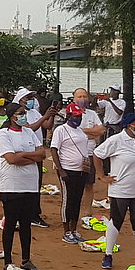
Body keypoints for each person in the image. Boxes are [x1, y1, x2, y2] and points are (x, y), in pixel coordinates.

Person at [92, 111, 135, 270]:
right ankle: (108, 254)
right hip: (121, 189)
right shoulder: (116, 140)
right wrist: (102, 176)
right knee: (116, 220)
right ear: (129, 125)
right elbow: (97, 155)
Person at [0, 100, 46, 270]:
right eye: (20, 114)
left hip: (30, 185)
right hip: (12, 185)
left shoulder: (29, 132)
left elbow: (42, 154)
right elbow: (11, 159)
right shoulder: (4, 134)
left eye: (24, 113)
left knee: (26, 224)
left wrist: (22, 155)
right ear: (11, 117)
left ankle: (26, 259)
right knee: (10, 223)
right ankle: (8, 261)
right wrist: (29, 156)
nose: (23, 117)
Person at [50, 103, 98, 244]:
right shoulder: (61, 130)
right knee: (68, 200)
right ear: (69, 115)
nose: (78, 118)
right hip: (67, 169)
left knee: (77, 200)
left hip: (81, 170)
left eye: (79, 116)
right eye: (75, 116)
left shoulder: (80, 131)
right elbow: (54, 150)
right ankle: (66, 231)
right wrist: (61, 169)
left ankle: (74, 229)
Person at [13, 87, 54, 226]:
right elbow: (30, 128)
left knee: (36, 183)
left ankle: (33, 212)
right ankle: (27, 213)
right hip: (26, 151)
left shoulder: (34, 112)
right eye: (27, 97)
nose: (30, 100)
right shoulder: (20, 115)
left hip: (36, 151)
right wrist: (45, 116)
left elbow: (47, 125)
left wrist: (51, 114)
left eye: (31, 97)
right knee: (24, 183)